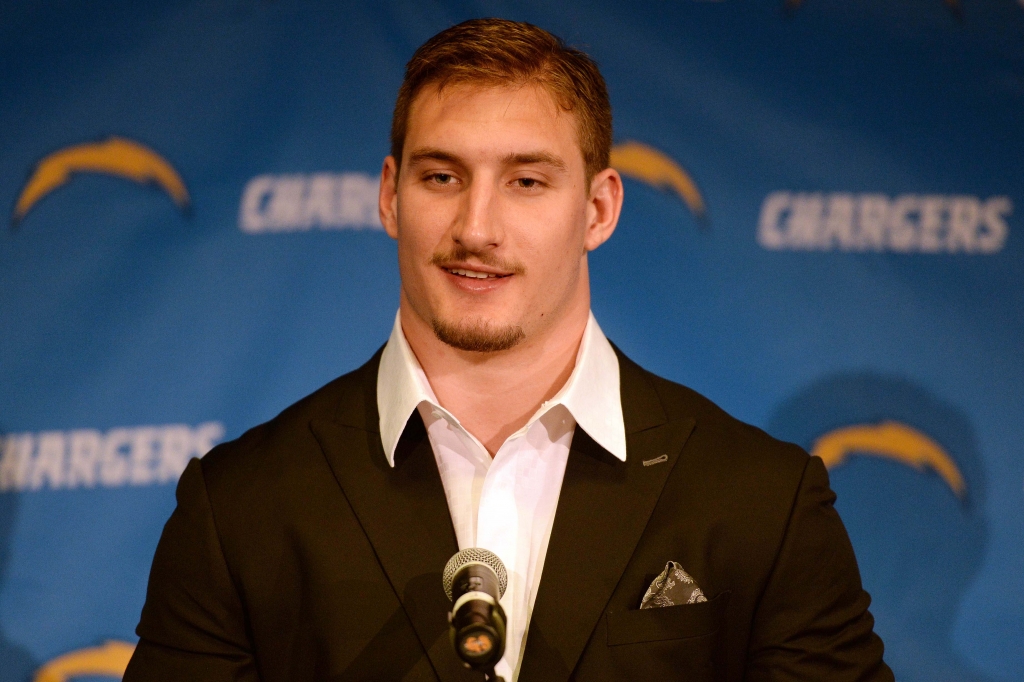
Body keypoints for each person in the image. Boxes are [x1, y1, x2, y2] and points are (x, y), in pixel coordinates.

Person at [124, 18, 893, 682]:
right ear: (391, 196)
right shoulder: (238, 510)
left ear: (597, 209)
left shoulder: (761, 501)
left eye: (526, 181)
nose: (477, 227)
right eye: (441, 176)